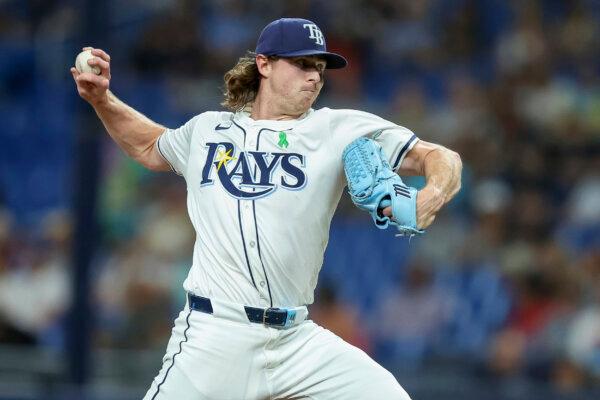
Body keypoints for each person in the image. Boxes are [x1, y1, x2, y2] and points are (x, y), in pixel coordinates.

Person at [71, 17, 461, 400]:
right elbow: (147, 145)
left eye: (320, 68)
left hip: (295, 340)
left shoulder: (338, 129)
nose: (315, 77)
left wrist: (431, 194)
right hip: (214, 336)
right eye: (303, 64)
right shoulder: (208, 130)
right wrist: (101, 100)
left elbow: (440, 157)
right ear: (264, 64)